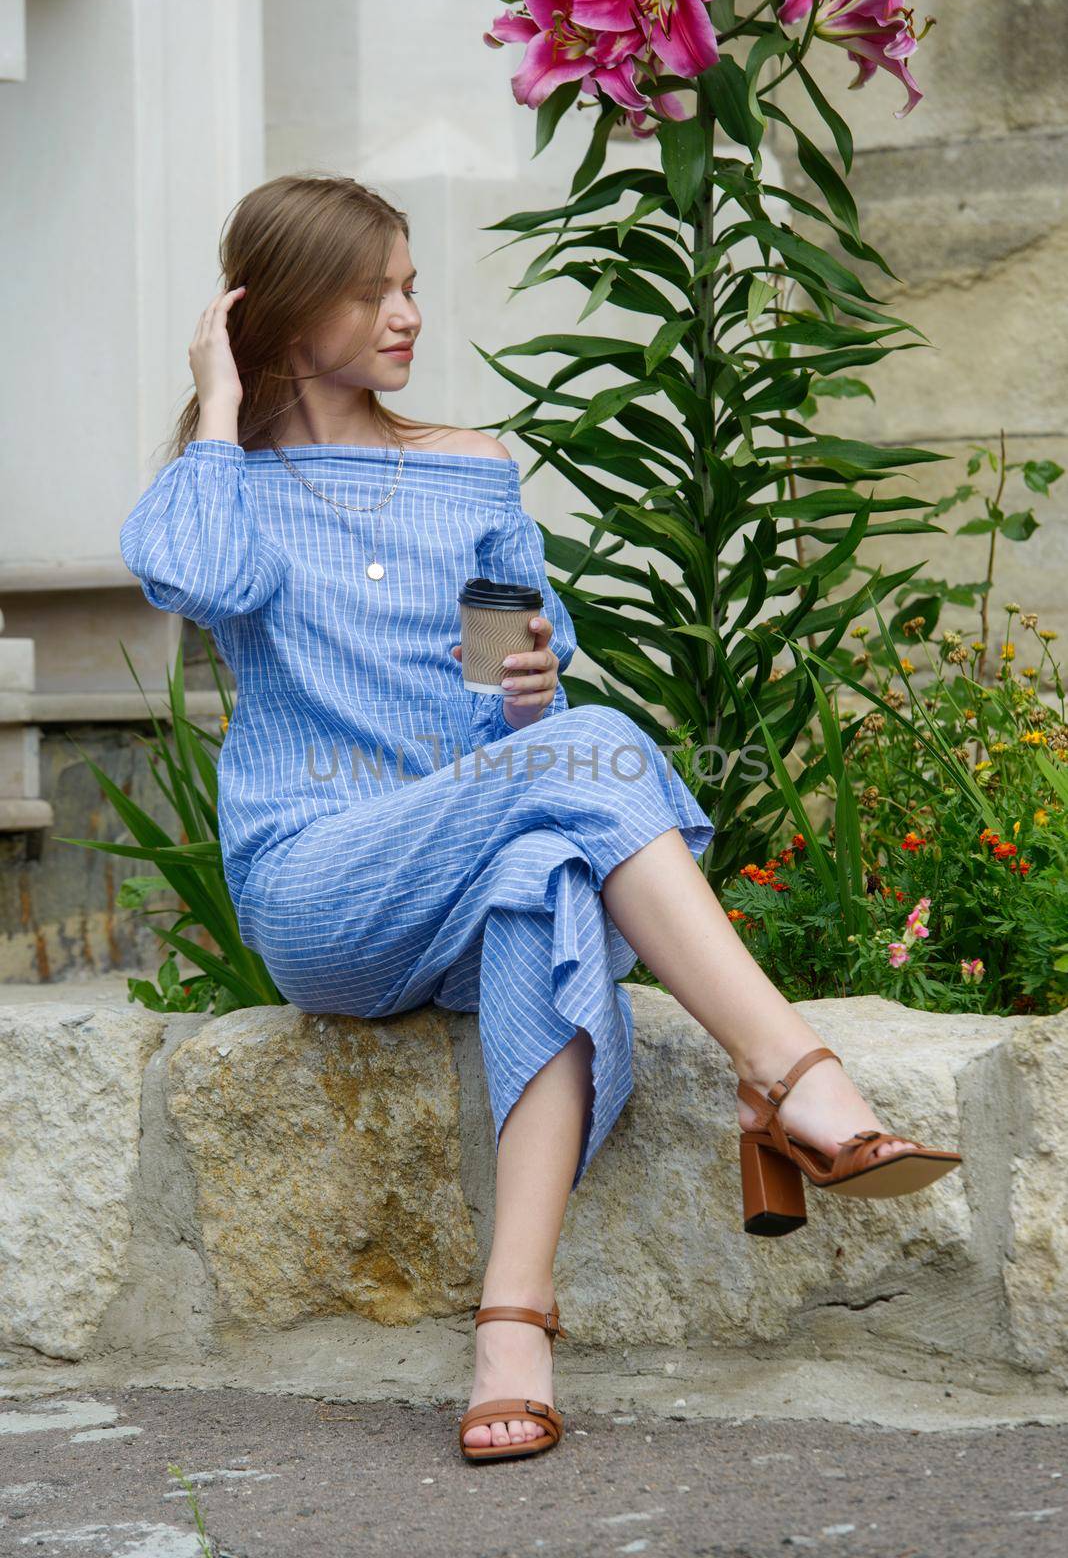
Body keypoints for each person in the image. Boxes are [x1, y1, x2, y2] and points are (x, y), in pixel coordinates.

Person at [119, 172, 961, 1466]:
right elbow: (191, 575)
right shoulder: (229, 488)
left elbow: (507, 705)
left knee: (547, 889)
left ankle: (513, 1325)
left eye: (409, 284)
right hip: (322, 879)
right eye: (372, 291)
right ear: (286, 315)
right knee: (596, 755)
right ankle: (790, 1079)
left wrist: (527, 700)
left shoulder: (468, 470)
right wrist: (224, 402)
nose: (408, 313)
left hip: (466, 854)